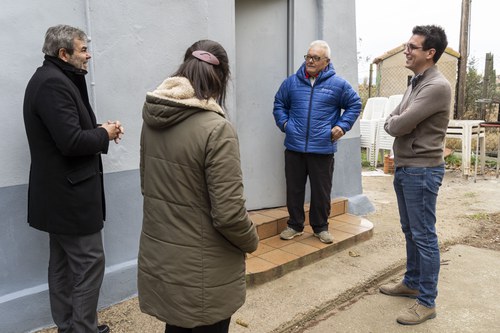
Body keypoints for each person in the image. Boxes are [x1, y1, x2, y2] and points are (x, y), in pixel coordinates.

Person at [137, 40, 259, 333]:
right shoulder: (217, 129)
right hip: (204, 268)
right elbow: (229, 214)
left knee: (176, 327)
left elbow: (147, 186)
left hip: (164, 258)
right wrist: (251, 240)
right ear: (222, 78)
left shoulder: (153, 118)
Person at [23, 24, 124, 333]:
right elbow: (71, 142)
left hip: (59, 197)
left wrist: (96, 129)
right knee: (89, 264)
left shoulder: (54, 78)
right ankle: (83, 329)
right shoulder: (53, 84)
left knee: (64, 266)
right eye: (83, 50)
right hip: (69, 199)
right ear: (63, 53)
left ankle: (69, 327)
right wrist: (103, 133)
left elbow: (68, 131)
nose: (88, 55)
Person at [380, 25, 451, 325]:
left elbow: (397, 125)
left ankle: (426, 301)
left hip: (422, 171)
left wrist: (396, 122)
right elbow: (393, 119)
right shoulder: (416, 82)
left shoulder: (437, 86)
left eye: (412, 47)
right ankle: (411, 282)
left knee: (424, 236)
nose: (406, 51)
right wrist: (395, 122)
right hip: (407, 166)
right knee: (410, 230)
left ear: (430, 53)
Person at [273, 40, 361, 244]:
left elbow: (354, 104)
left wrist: (342, 126)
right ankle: (294, 225)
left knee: (321, 191)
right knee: (294, 189)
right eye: (308, 57)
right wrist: (285, 125)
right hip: (294, 146)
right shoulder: (291, 83)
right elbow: (279, 103)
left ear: (326, 61)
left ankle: (320, 227)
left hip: (322, 148)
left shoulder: (338, 84)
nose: (310, 61)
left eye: (315, 58)